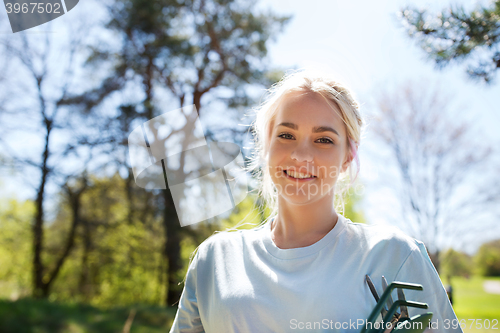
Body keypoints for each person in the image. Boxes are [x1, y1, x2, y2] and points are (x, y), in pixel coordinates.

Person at [169, 70, 462, 332]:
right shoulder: (213, 261)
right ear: (265, 146)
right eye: (286, 135)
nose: (300, 155)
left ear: (348, 155)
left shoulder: (395, 257)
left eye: (323, 139)